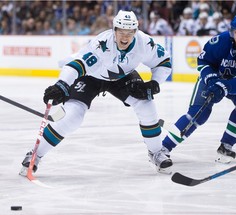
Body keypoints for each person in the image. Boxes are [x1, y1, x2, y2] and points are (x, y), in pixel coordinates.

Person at [20, 10, 173, 175]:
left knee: (146, 104)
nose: (125, 36)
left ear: (136, 31)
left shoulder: (144, 43)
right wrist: (61, 86)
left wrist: (154, 83)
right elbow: (77, 65)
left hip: (122, 76)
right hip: (90, 76)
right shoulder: (102, 44)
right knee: (72, 117)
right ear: (114, 29)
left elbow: (163, 62)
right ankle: (35, 154)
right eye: (121, 31)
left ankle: (156, 152)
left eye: (130, 32)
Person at [162, 13, 236, 164]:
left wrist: (224, 87)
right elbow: (203, 61)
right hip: (213, 77)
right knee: (198, 114)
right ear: (232, 31)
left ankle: (226, 146)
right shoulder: (221, 41)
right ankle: (164, 148)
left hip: (234, 82)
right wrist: (212, 80)